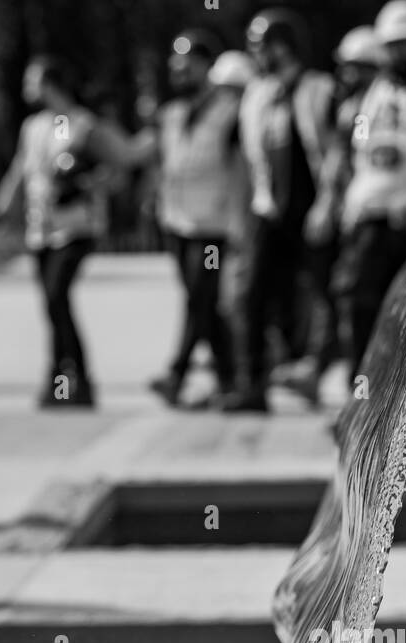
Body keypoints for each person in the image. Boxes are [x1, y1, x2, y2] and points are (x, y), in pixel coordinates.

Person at [0, 56, 152, 408]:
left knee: (57, 296)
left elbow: (121, 166)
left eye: (32, 79)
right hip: (40, 230)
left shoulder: (83, 125)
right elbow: (20, 173)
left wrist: (89, 182)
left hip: (75, 227)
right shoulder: (33, 127)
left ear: (49, 83)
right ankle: (61, 384)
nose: (26, 86)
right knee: (52, 306)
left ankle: (76, 381)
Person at [336, 1, 406, 380]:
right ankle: (362, 393)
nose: (401, 53)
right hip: (373, 215)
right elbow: (360, 147)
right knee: (360, 304)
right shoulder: (371, 97)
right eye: (393, 45)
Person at [273, 24, 385, 402]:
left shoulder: (385, 106)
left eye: (361, 67)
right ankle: (337, 377)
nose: (351, 75)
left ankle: (337, 375)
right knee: (342, 294)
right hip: (351, 217)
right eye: (347, 66)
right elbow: (339, 162)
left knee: (356, 298)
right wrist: (326, 205)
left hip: (382, 219)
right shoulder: (353, 109)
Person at [233, 8, 335, 413]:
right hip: (269, 210)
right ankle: (251, 384)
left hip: (311, 209)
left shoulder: (318, 89)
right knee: (251, 294)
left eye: (261, 47)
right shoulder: (257, 95)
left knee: (325, 294)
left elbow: (333, 150)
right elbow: (251, 157)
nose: (257, 56)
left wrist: (328, 203)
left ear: (282, 47)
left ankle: (316, 371)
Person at [149, 33, 255, 409]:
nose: (179, 72)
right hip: (177, 223)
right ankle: (229, 380)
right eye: (175, 66)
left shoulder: (230, 111)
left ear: (207, 66)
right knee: (203, 303)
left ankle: (177, 374)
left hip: (213, 228)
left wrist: (242, 221)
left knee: (199, 297)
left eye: (187, 65)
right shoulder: (172, 114)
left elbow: (244, 170)